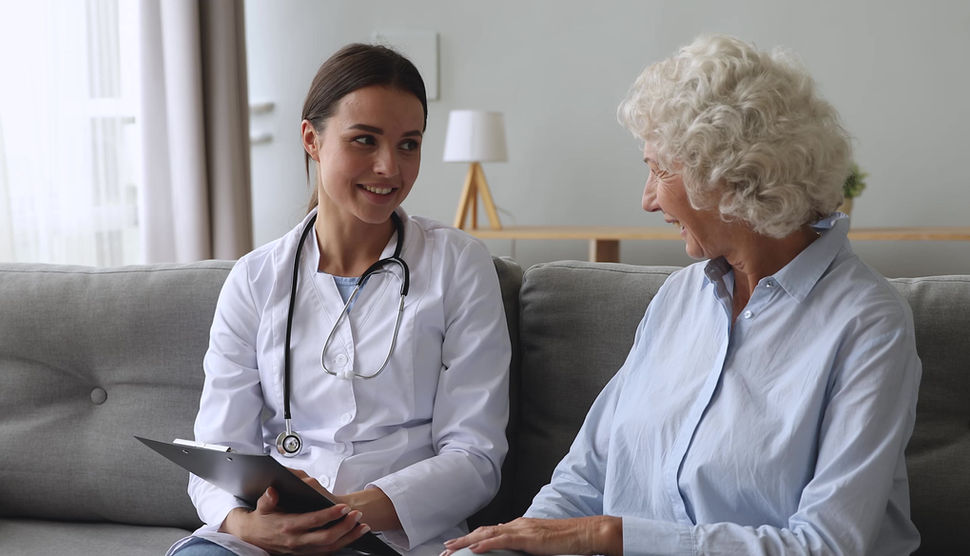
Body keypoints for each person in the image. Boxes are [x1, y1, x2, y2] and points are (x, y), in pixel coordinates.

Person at [443, 34, 921, 556]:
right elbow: (583, 480)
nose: (647, 199)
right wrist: (502, 547)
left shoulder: (867, 322)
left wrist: (609, 536)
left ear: (735, 175)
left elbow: (826, 546)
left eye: (659, 169)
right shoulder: (678, 299)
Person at [168, 44, 511, 556]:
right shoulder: (255, 278)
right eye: (364, 140)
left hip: (399, 533)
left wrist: (344, 510)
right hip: (271, 537)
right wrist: (245, 527)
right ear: (312, 139)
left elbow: (475, 455)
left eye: (408, 144)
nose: (388, 167)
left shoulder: (458, 265)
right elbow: (219, 452)